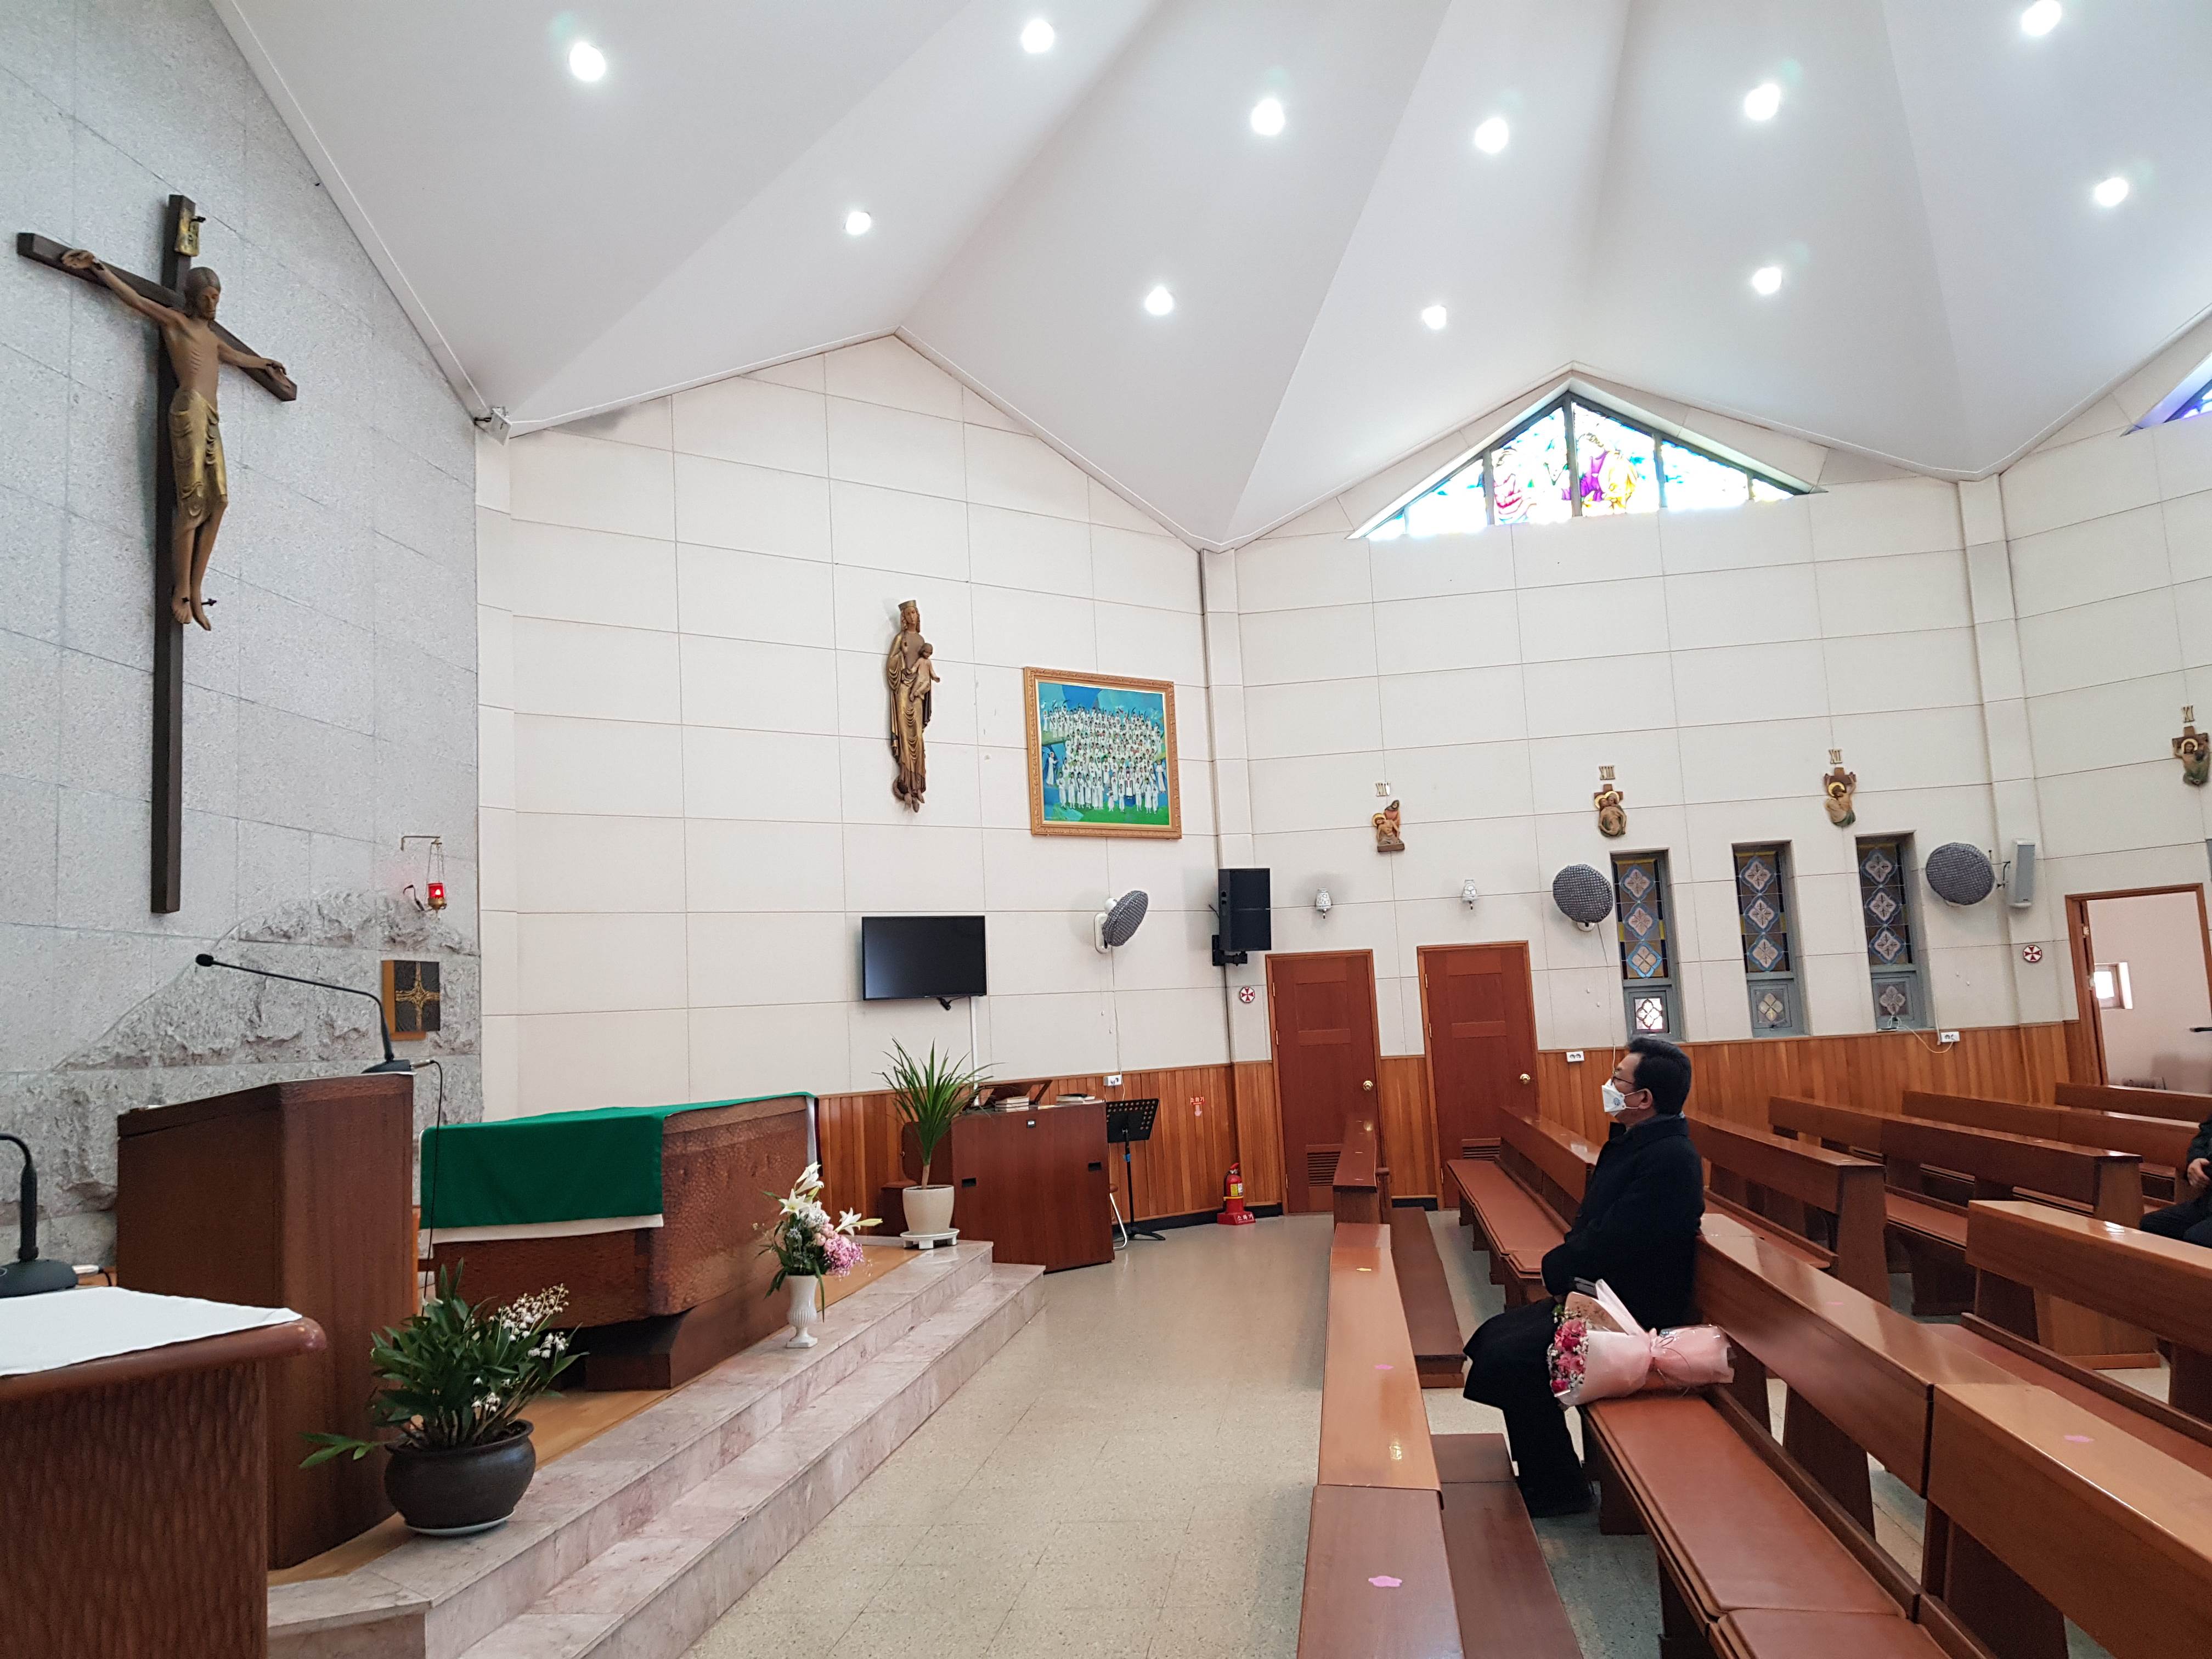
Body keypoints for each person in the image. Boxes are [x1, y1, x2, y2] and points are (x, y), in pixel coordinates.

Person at [1462, 1035, 1703, 1515]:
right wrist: (1568, 1269)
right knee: (1495, 1337)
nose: (1610, 1086)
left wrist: (1561, 1268)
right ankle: (1547, 1474)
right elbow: (1600, 1231)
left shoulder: (1670, 1159)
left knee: (1515, 1358)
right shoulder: (1639, 1144)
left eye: (1618, 1079)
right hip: (1604, 1292)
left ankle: (1558, 1488)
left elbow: (1619, 1238)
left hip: (1634, 1313)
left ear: (1644, 1099)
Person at [2141, 1111, 2212, 1248]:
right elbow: (2203, 1138)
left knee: (2196, 1238)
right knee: (2152, 1226)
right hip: (2208, 1202)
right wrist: (2196, 1160)